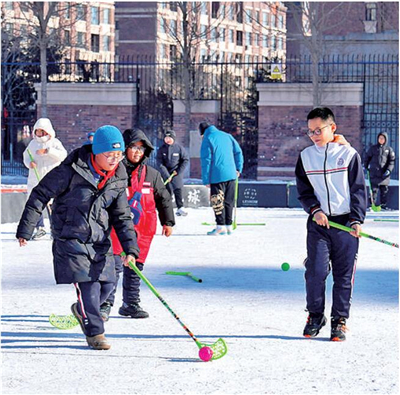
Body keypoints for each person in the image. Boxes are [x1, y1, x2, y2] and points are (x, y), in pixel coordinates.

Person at [16, 125, 140, 350]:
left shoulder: (119, 176)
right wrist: (26, 228)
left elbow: (122, 215)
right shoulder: (70, 170)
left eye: (118, 154)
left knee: (107, 285)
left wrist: (131, 249)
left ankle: (83, 309)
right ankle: (95, 333)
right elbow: (40, 194)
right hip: (70, 236)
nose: (115, 160)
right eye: (109, 155)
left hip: (100, 238)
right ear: (96, 152)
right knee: (89, 286)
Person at [295, 107, 367, 342]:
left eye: (318, 130)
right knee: (315, 271)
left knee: (343, 275)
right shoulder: (306, 157)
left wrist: (357, 219)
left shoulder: (348, 155)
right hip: (319, 223)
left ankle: (339, 320)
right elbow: (304, 191)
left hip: (345, 222)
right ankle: (315, 316)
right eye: (310, 131)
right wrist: (315, 210)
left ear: (332, 127)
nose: (314, 135)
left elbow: (358, 190)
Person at [100, 128, 175, 321]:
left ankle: (130, 303)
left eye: (141, 149)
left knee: (135, 268)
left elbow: (164, 198)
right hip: (117, 228)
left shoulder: (152, 174)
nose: (137, 152)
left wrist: (168, 221)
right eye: (133, 147)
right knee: (114, 267)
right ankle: (105, 303)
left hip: (143, 230)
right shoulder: (113, 172)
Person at [22, 118, 67, 240]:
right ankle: (40, 228)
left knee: (52, 205)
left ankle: (55, 228)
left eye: (42, 131)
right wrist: (29, 163)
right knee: (36, 204)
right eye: (38, 131)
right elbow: (26, 156)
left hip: (51, 179)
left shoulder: (55, 143)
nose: (39, 134)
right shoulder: (32, 144)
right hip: (35, 179)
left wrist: (48, 151)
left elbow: (63, 155)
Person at [199, 122, 243, 235]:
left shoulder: (207, 139)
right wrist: (238, 168)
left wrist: (206, 179)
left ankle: (220, 226)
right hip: (232, 174)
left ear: (202, 132)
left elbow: (206, 160)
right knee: (229, 201)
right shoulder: (227, 136)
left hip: (216, 175)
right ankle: (228, 226)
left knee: (217, 201)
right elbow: (238, 152)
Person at [156, 130, 189, 217]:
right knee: (167, 190)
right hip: (166, 172)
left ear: (173, 138)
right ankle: (167, 207)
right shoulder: (161, 149)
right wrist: (166, 175)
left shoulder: (179, 148)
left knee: (178, 189)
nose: (168, 140)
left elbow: (185, 160)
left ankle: (180, 207)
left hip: (176, 172)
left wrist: (178, 171)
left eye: (169, 138)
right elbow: (159, 163)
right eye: (166, 138)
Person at [364, 132, 395, 210]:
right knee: (373, 191)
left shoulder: (389, 149)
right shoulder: (373, 148)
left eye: (383, 138)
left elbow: (391, 161)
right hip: (374, 173)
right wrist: (366, 166)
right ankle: (371, 205)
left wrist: (388, 170)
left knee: (384, 191)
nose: (381, 140)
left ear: (385, 139)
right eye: (380, 138)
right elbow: (367, 158)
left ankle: (383, 205)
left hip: (384, 175)